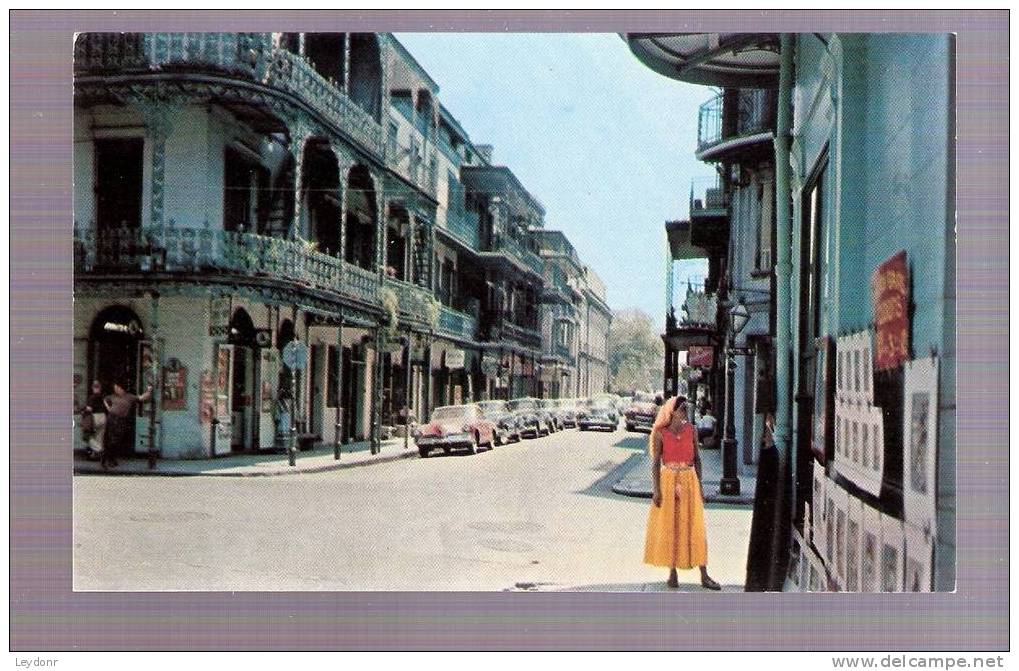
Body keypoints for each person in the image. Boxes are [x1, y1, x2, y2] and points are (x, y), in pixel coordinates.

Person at [644, 395, 721, 590]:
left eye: (687, 409)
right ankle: (672, 573)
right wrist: (656, 490)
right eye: (682, 409)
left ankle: (704, 575)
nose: (685, 413)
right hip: (668, 479)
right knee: (671, 525)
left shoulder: (691, 430)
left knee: (696, 526)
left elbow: (697, 459)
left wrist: (701, 486)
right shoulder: (661, 433)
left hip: (689, 480)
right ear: (672, 412)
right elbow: (655, 463)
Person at [102, 380, 152, 470]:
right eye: (115, 388)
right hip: (112, 418)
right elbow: (105, 399)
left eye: (117, 388)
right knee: (110, 439)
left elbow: (141, 398)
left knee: (117, 440)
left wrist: (149, 391)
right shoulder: (112, 396)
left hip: (121, 419)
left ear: (122, 388)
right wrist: (109, 408)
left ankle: (111, 458)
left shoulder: (129, 397)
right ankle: (108, 459)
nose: (116, 389)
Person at [82, 380, 107, 460]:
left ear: (92, 387)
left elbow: (89, 409)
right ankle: (96, 456)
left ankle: (100, 450)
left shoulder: (92, 397)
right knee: (99, 437)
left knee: (87, 436)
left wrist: (83, 409)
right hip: (103, 417)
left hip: (95, 417)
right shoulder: (104, 396)